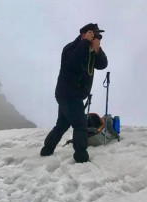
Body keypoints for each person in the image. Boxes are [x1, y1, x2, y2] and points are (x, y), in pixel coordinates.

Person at [40, 23, 108, 163]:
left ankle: (47, 150)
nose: (96, 37)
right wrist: (84, 43)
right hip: (69, 93)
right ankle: (81, 158)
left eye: (97, 36)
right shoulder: (71, 47)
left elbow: (102, 65)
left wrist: (98, 50)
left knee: (62, 125)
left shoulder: (90, 51)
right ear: (84, 34)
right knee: (80, 124)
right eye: (93, 34)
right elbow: (72, 63)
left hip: (72, 94)